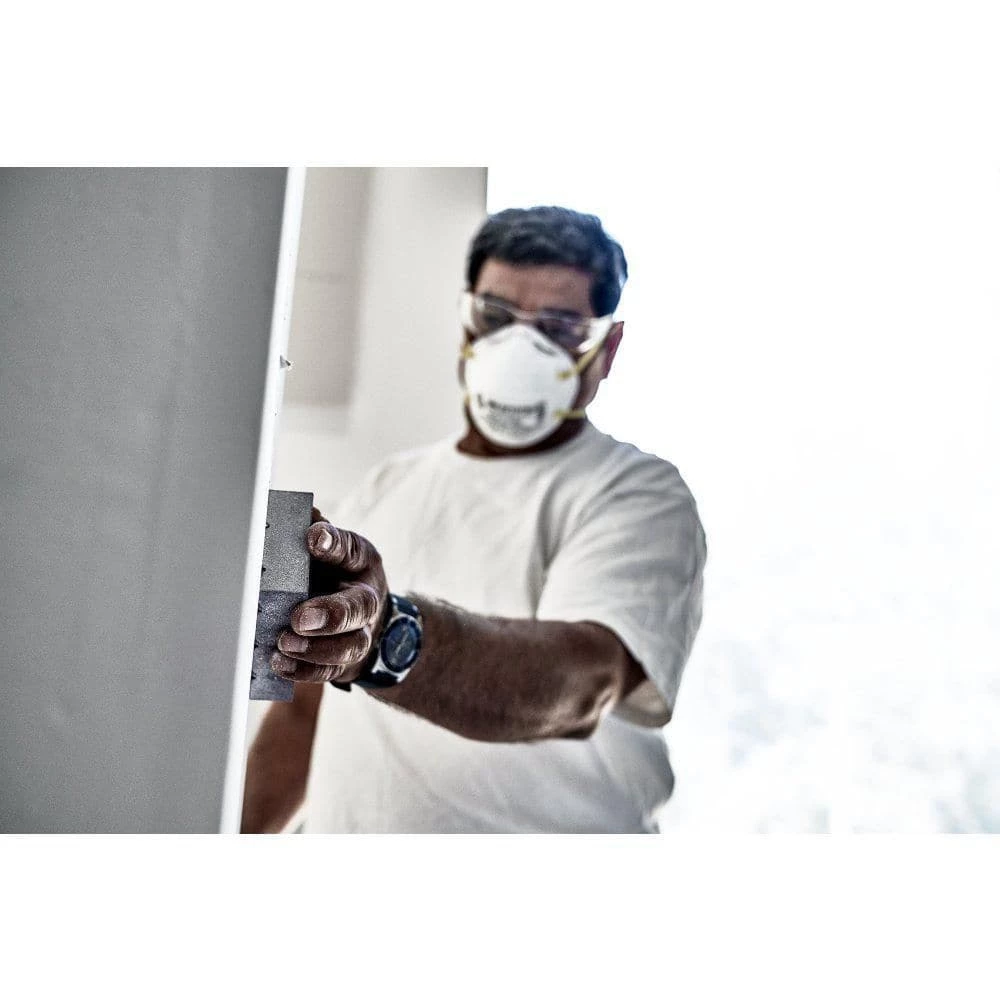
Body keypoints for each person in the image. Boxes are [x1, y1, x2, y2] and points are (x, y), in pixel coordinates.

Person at [241, 206, 707, 834]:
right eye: (495, 317)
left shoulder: (635, 492)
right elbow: (306, 710)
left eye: (559, 327)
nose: (519, 350)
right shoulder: (387, 485)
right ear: (465, 319)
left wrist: (387, 637)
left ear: (608, 347)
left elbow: (582, 684)